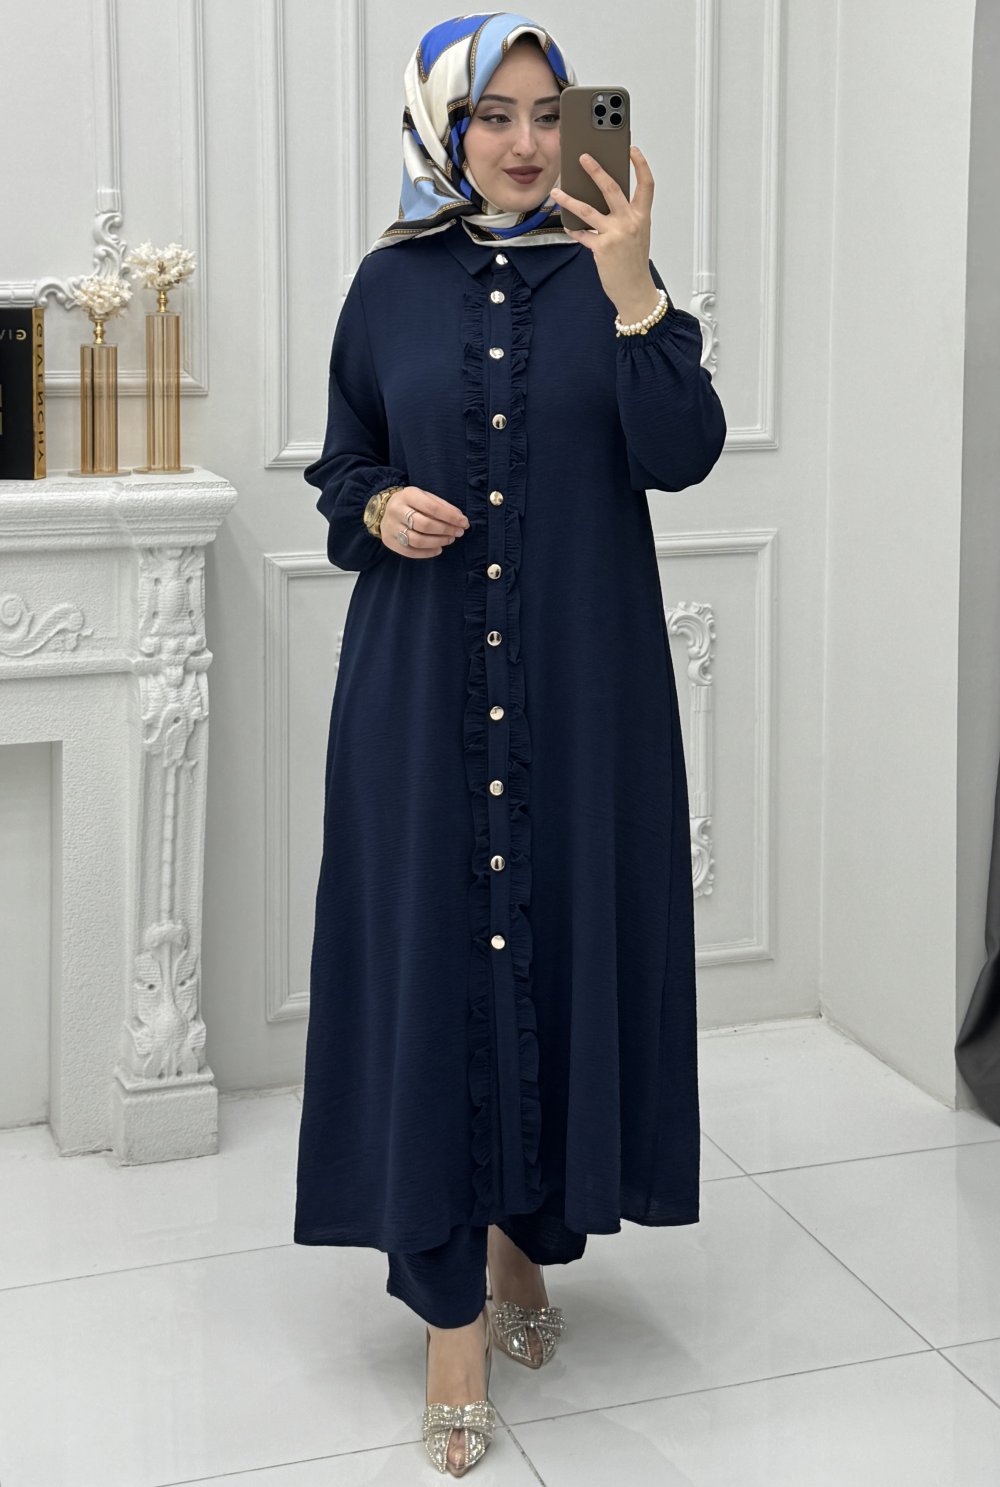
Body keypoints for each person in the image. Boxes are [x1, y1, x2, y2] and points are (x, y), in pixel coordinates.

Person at [294, 10, 727, 1477]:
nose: (528, 143)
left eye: (551, 112)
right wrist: (376, 506)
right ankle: (450, 1318)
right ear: (447, 128)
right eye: (495, 115)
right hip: (421, 691)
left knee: (552, 940)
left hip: (582, 689)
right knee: (436, 960)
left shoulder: (617, 275)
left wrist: (634, 289)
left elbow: (683, 451)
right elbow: (343, 460)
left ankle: (524, 1237)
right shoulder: (388, 284)